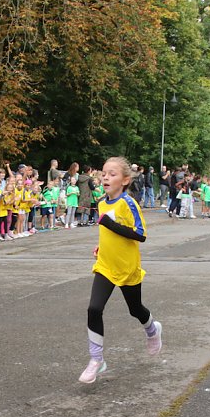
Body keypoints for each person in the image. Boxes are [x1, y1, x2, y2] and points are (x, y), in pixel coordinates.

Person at [80, 156, 163, 384]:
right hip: (106, 265)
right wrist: (101, 246)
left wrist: (111, 225)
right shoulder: (101, 203)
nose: (106, 177)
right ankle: (96, 359)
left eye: (112, 174)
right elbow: (108, 234)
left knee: (135, 309)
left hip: (127, 268)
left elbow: (140, 234)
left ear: (125, 180)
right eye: (104, 173)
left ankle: (152, 331)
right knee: (94, 309)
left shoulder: (128, 203)